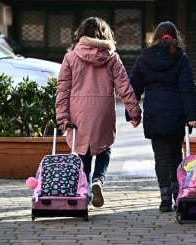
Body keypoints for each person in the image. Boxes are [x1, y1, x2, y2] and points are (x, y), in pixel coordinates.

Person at [55, 17, 142, 208]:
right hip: (103, 111)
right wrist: (134, 112)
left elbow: (63, 89)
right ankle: (98, 181)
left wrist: (61, 116)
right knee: (104, 148)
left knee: (83, 150)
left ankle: (84, 190)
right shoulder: (112, 57)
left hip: (79, 113)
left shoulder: (70, 57)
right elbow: (124, 87)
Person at [127, 21, 196, 212]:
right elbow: (187, 88)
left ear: (155, 37)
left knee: (160, 157)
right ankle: (178, 196)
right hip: (176, 114)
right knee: (176, 154)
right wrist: (193, 115)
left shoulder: (144, 58)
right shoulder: (181, 57)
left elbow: (133, 88)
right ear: (175, 36)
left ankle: (165, 199)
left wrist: (132, 115)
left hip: (154, 113)